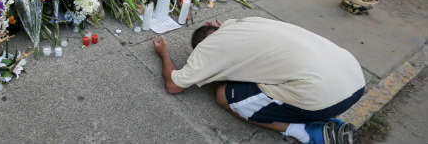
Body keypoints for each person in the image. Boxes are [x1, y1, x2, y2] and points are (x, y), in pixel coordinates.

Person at [153, 17, 365, 144]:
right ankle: (324, 120)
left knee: (223, 95)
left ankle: (307, 132)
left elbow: (173, 85)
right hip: (354, 78)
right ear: (216, 26)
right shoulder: (245, 23)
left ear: (200, 46)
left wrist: (164, 53)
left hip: (323, 96)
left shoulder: (208, 48)